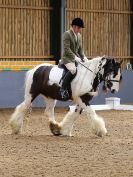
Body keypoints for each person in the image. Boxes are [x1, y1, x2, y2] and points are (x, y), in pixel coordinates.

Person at [59, 17, 88, 99]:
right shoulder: (67, 34)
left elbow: (80, 49)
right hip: (67, 59)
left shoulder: (79, 36)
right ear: (74, 26)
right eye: (79, 28)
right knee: (73, 70)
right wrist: (75, 57)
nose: (79, 30)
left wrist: (84, 57)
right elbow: (66, 49)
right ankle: (63, 89)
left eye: (80, 28)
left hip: (75, 59)